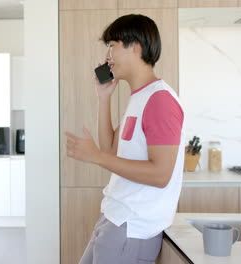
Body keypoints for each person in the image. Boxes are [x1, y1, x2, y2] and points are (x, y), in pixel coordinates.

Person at [65, 14, 185, 264]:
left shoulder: (160, 100)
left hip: (131, 228)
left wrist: (95, 156)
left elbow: (161, 175)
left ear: (136, 47)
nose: (107, 55)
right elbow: (110, 151)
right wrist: (104, 98)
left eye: (113, 45)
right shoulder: (140, 98)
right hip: (114, 218)